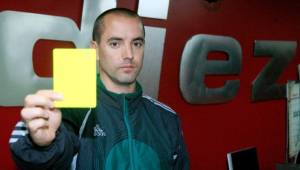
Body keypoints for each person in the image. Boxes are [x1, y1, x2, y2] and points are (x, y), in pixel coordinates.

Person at [9, 8, 189, 170]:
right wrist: (42, 145)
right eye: (115, 43)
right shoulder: (70, 110)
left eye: (137, 43)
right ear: (94, 49)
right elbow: (44, 161)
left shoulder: (167, 118)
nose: (129, 55)